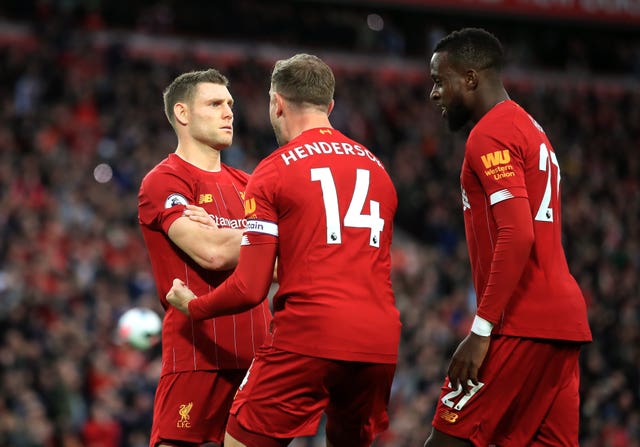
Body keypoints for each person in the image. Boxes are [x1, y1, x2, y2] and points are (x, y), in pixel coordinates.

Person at [165, 53, 401, 447]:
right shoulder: (378, 170)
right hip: (379, 342)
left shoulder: (275, 170)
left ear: (277, 103)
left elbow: (251, 288)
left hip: (309, 337)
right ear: (329, 106)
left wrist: (195, 307)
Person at [424, 28, 592, 446]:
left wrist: (481, 331)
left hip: (520, 321)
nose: (434, 94)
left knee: (447, 441)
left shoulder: (491, 133)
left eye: (439, 81)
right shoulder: (528, 127)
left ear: (470, 78)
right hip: (562, 326)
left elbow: (517, 234)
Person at [138, 68, 272, 447]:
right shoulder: (165, 180)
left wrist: (222, 230)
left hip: (259, 357)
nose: (229, 112)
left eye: (230, 104)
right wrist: (259, 240)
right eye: (214, 104)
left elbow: (281, 264)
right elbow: (210, 252)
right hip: (198, 352)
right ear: (182, 114)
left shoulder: (251, 185)